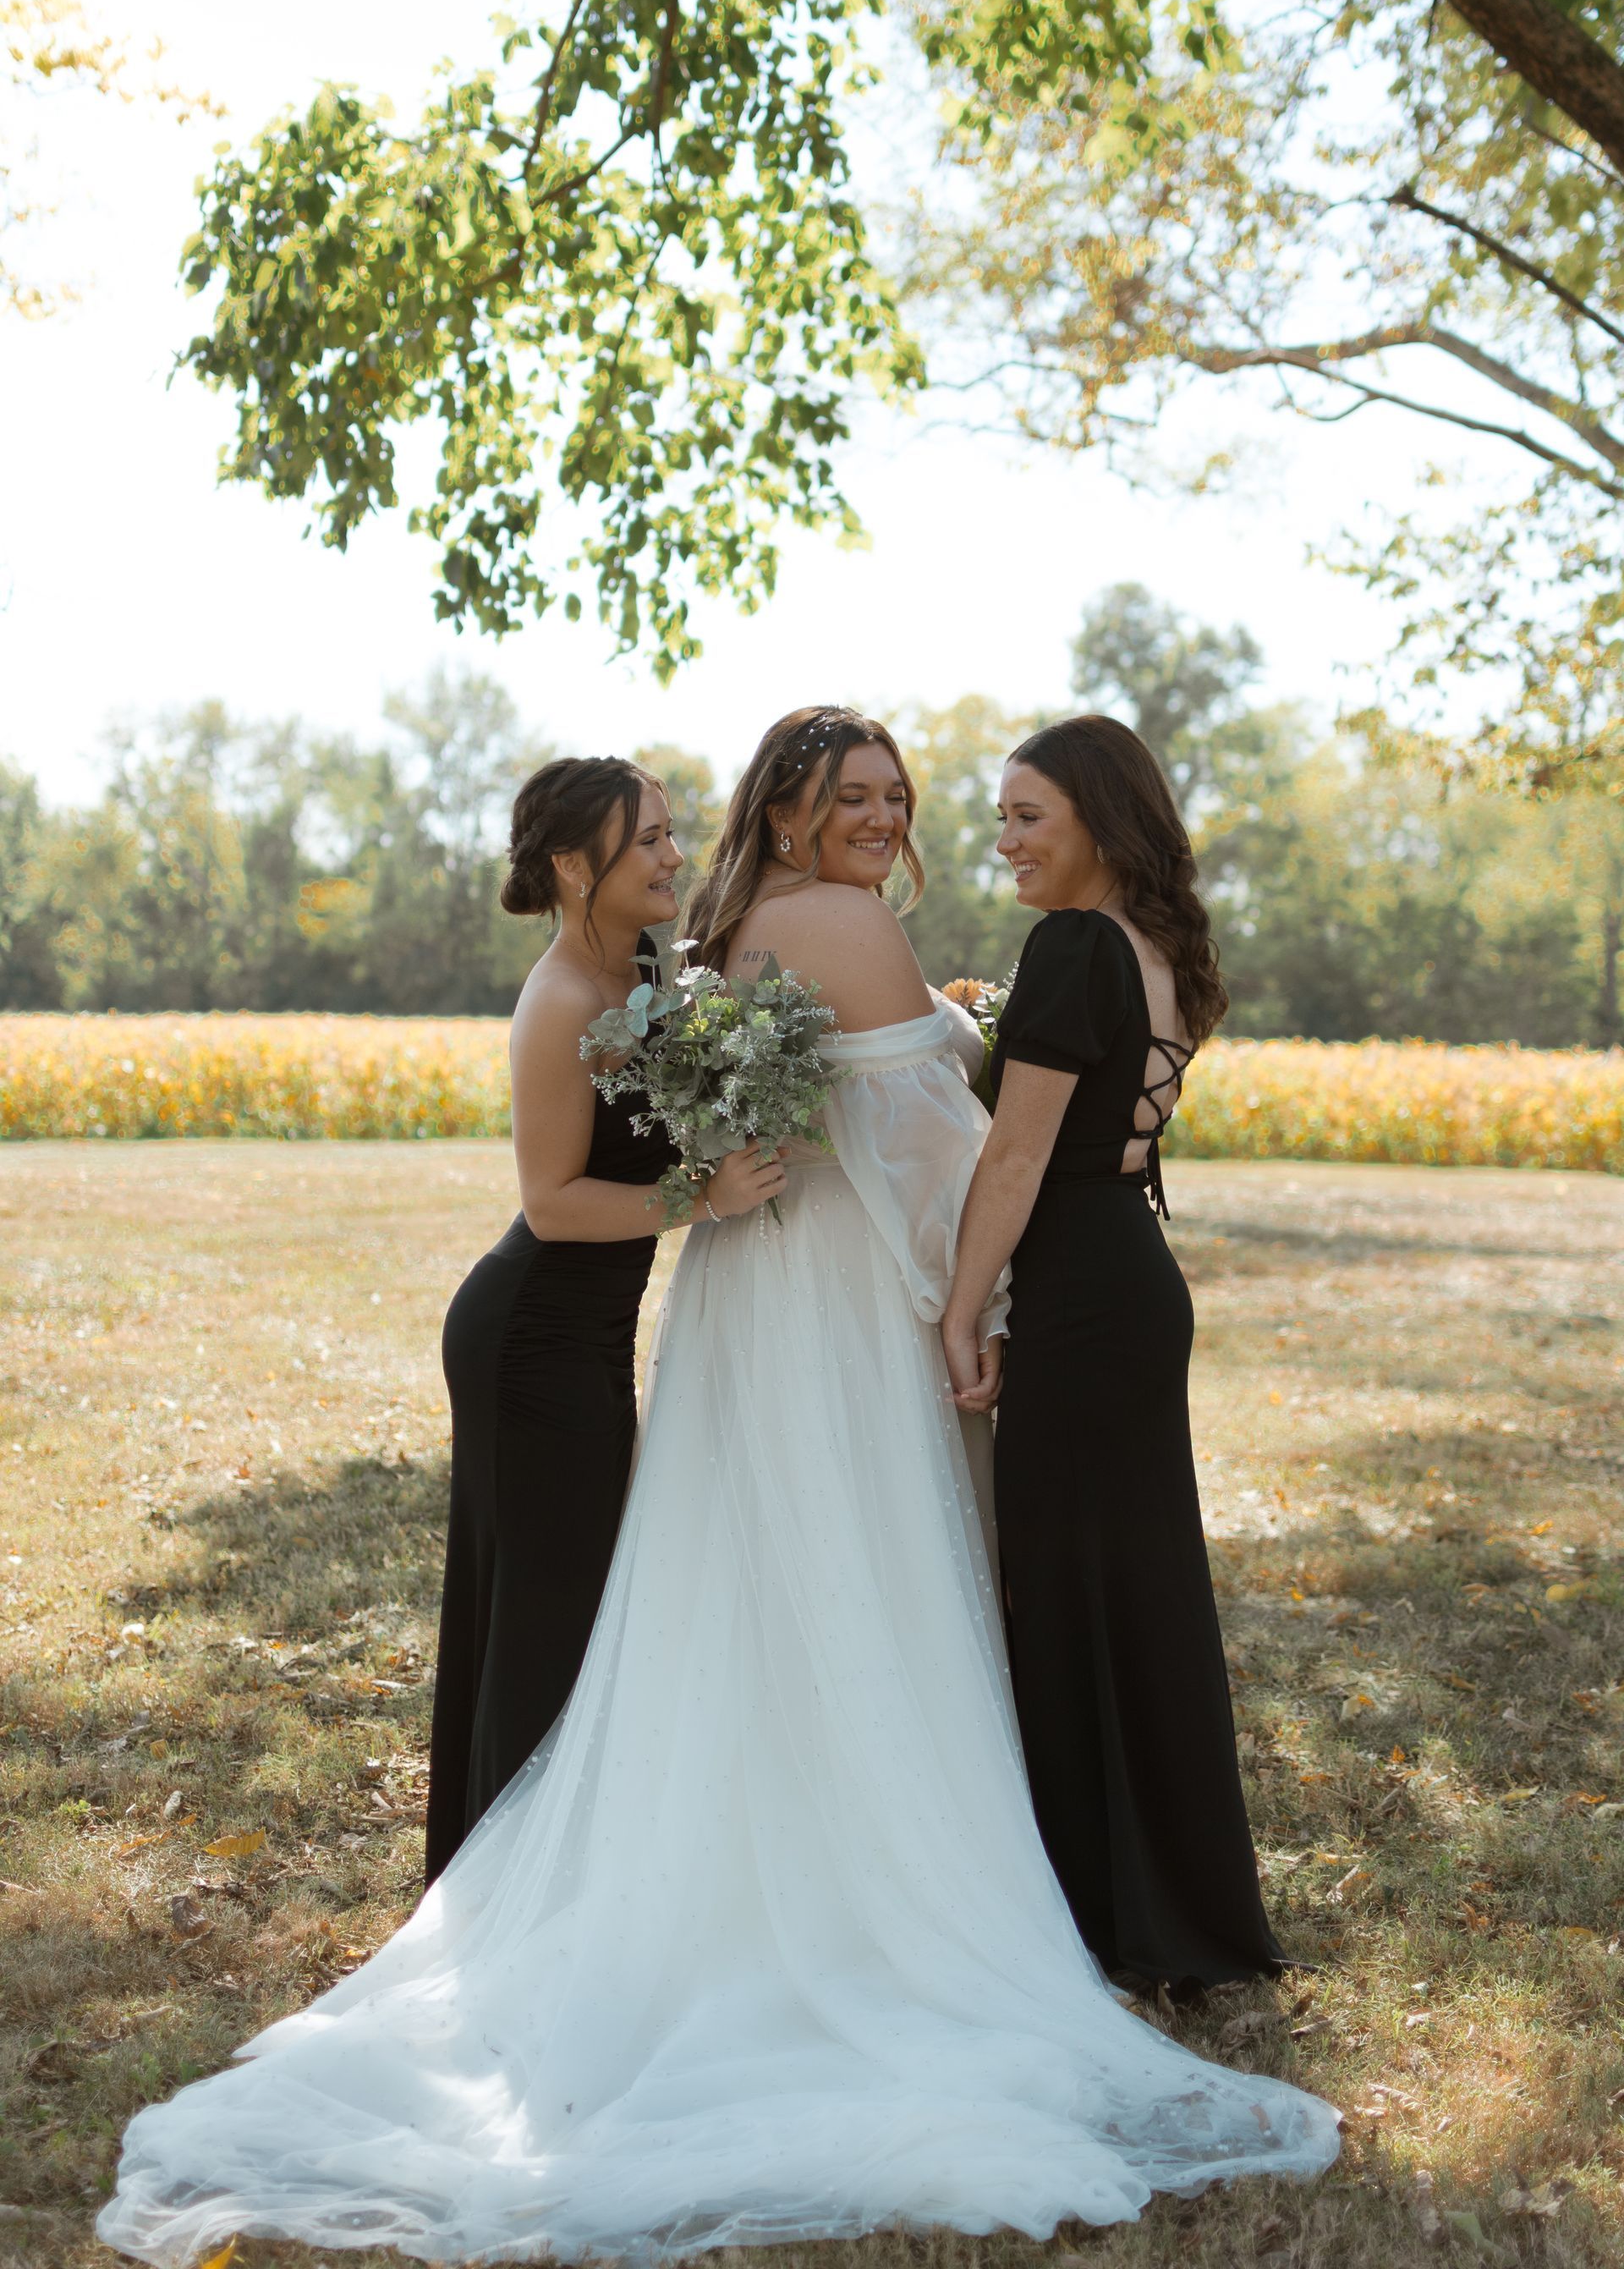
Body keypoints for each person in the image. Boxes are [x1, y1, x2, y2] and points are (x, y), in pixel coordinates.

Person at [98, 707, 1335, 2269]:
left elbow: (828, 1090)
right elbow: (926, 1137)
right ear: (796, 809)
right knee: (863, 1556)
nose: (884, 817)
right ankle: (875, 1871)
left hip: (742, 1296)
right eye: (853, 797)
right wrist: (972, 1288)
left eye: (898, 797)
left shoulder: (727, 928)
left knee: (739, 1563)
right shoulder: (845, 925)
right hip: (830, 1292)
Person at [942, 713, 1285, 1992]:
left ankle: (1105, 1915)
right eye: (1000, 818)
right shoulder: (1157, 950)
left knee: (1065, 1595)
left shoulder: (1075, 944)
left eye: (1030, 815)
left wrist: (962, 1306)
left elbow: (1018, 1153)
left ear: (1099, 815)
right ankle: (1172, 1907)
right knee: (1138, 1598)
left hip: (1084, 1290)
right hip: (1133, 1279)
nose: (1007, 841)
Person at [425, 756, 783, 1882]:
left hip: (583, 1339)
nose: (675, 856)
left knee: (575, 1596)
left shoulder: (638, 968)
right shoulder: (563, 1002)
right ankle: (503, 1878)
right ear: (576, 866)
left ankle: (554, 1863)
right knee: (548, 1606)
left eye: (674, 834)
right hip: (528, 1341)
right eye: (649, 841)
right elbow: (552, 1199)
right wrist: (699, 1199)